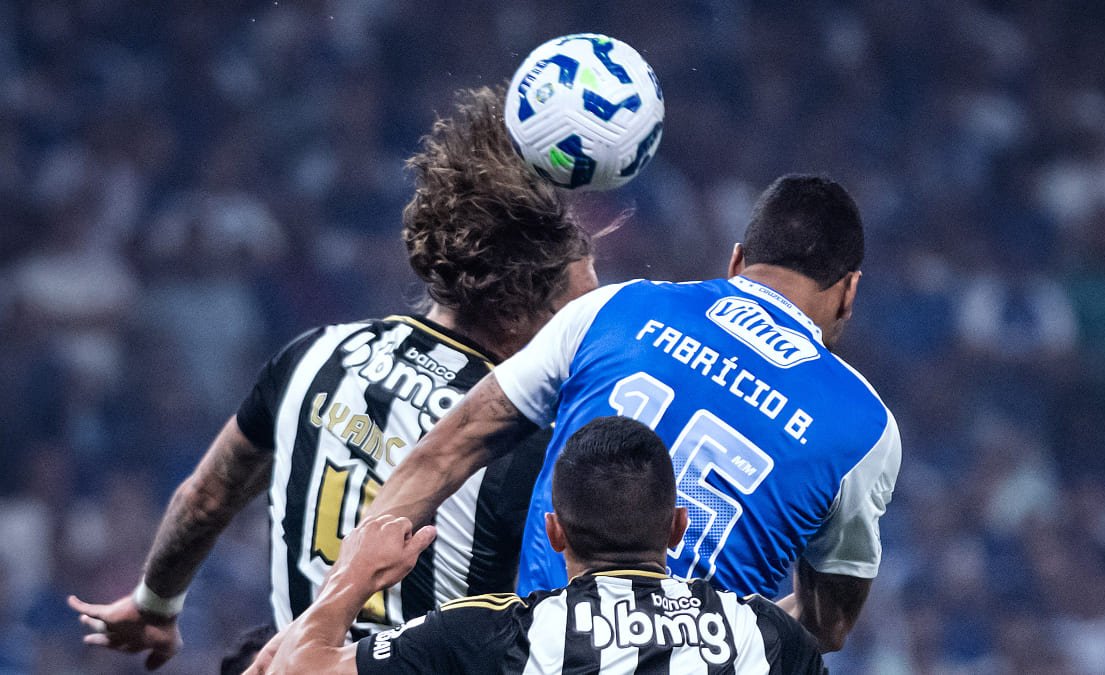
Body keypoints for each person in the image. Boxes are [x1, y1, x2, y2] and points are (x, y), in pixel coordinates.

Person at [67, 85, 599, 669]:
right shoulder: (525, 436)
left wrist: (155, 605)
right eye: (586, 274)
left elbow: (205, 498)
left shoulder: (312, 354)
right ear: (529, 293)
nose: (594, 298)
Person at [362, 174, 901, 652]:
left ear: (737, 261)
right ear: (849, 291)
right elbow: (826, 626)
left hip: (544, 655)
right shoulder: (866, 430)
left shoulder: (615, 308)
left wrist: (328, 609)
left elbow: (441, 454)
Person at [262, 416, 827, 674]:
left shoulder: (489, 634)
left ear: (554, 532)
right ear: (678, 526)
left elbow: (298, 669)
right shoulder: (768, 634)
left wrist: (353, 577)